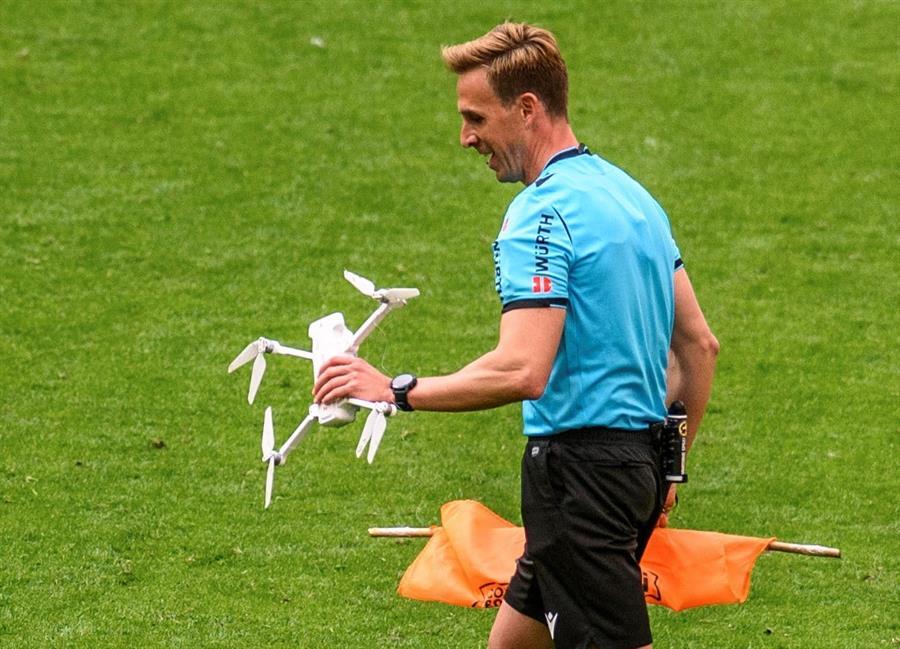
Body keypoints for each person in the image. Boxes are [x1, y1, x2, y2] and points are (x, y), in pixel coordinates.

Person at [313, 22, 718, 649]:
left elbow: (521, 369)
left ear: (526, 108)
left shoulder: (539, 214)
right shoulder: (633, 199)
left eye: (476, 116)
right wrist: (666, 471)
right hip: (631, 470)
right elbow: (698, 346)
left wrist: (395, 389)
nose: (465, 137)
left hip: (578, 482)